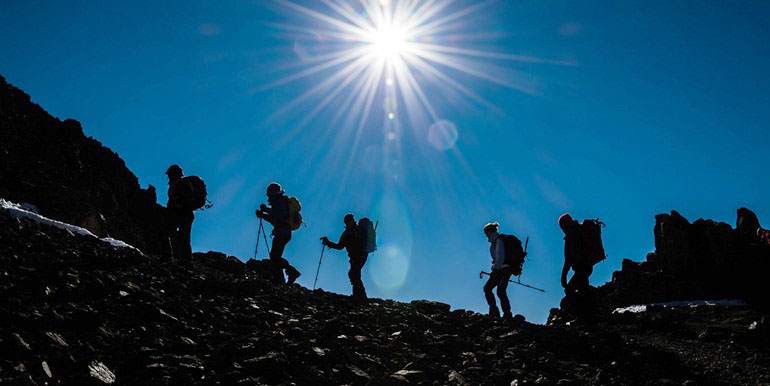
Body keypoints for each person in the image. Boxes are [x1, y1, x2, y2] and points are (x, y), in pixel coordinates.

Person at [255, 182, 301, 284]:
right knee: (275, 256)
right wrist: (265, 212)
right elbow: (276, 215)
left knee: (275, 256)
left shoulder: (280, 202)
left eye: (269, 193)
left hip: (282, 232)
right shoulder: (281, 202)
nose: (269, 196)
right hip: (285, 232)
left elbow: (276, 218)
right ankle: (280, 278)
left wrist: (263, 214)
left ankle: (289, 273)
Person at [321, 214, 369, 303]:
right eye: (346, 222)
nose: (347, 223)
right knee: (354, 274)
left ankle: (360, 297)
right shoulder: (346, 233)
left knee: (354, 273)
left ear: (352, 220)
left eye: (348, 221)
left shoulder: (357, 230)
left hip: (360, 255)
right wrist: (328, 243)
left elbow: (340, 246)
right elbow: (340, 246)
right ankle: (360, 296)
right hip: (355, 257)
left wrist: (328, 243)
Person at [482, 222, 516, 319]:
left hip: (502, 269)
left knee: (488, 288)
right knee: (501, 291)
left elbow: (500, 257)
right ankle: (506, 314)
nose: (486, 235)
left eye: (486, 233)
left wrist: (495, 269)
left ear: (489, 232)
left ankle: (495, 312)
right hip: (506, 269)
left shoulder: (498, 241)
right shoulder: (497, 240)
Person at [559, 213, 592, 297]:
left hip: (581, 268)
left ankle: (588, 308)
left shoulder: (571, 235)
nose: (562, 229)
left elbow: (568, 259)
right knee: (583, 290)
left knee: (569, 290)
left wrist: (564, 276)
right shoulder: (579, 230)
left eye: (562, 226)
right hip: (588, 266)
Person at [166, 164, 194, 262]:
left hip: (179, 213)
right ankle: (186, 260)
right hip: (187, 214)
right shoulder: (184, 183)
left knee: (173, 233)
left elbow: (174, 200)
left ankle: (179, 258)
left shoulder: (178, 184)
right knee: (185, 238)